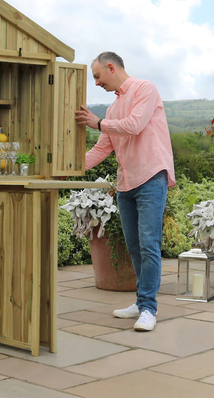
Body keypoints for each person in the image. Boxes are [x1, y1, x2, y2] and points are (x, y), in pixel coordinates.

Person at [75, 51, 175, 331]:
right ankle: (141, 301)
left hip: (151, 177)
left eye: (97, 76)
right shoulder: (113, 109)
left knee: (149, 244)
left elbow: (135, 126)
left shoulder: (145, 89)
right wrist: (70, 166)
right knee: (134, 246)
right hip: (126, 184)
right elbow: (102, 148)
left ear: (111, 67)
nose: (96, 83)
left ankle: (149, 309)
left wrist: (96, 123)